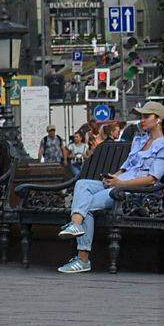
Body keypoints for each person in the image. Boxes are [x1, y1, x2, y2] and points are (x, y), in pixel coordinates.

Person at [56, 102, 164, 274]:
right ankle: (75, 224)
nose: (142, 120)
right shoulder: (139, 140)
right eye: (141, 116)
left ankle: (83, 259)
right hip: (118, 184)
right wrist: (113, 177)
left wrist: (120, 184)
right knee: (82, 184)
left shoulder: (162, 145)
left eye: (146, 116)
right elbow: (126, 167)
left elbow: (151, 180)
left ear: (158, 119)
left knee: (87, 205)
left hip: (134, 193)